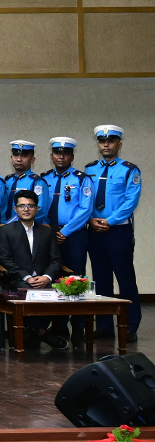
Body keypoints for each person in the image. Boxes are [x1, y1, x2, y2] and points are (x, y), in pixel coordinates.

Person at [0, 190, 68, 350]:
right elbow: (4, 259)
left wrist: (47, 277)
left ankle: (31, 330)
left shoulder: (47, 231)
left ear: (37, 209)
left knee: (60, 293)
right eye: (22, 206)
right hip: (18, 279)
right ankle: (41, 332)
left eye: (30, 205)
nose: (26, 209)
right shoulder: (6, 231)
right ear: (15, 209)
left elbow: (55, 260)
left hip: (44, 279)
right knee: (31, 292)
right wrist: (27, 277)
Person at [87, 125, 141, 337]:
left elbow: (130, 202)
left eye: (111, 141)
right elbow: (85, 199)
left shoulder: (129, 170)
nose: (106, 145)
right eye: (102, 141)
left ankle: (130, 326)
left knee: (125, 279)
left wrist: (109, 221)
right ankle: (104, 327)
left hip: (118, 231)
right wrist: (91, 219)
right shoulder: (89, 169)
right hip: (94, 231)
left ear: (119, 145)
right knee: (101, 280)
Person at [42, 137, 94, 342]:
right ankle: (59, 327)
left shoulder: (82, 179)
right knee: (54, 278)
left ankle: (78, 328)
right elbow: (40, 207)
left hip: (73, 236)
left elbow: (86, 209)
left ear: (72, 156)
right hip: (49, 234)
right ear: (51, 156)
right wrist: (47, 230)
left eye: (65, 153)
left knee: (75, 279)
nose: (61, 156)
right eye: (57, 153)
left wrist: (66, 231)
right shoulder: (44, 179)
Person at [3, 141, 50, 214]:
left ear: (32, 160)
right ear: (11, 158)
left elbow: (40, 211)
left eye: (24, 156)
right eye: (16, 155)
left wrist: (16, 221)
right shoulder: (7, 180)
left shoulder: (37, 182)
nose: (19, 159)